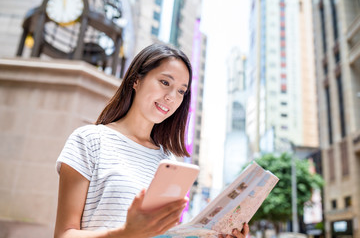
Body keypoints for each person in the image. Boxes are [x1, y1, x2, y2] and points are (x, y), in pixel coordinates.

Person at [54, 43, 249, 238]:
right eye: (165, 82)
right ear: (136, 80)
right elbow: (64, 234)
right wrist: (126, 233)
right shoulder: (89, 140)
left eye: (181, 91)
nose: (171, 97)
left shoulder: (169, 162)